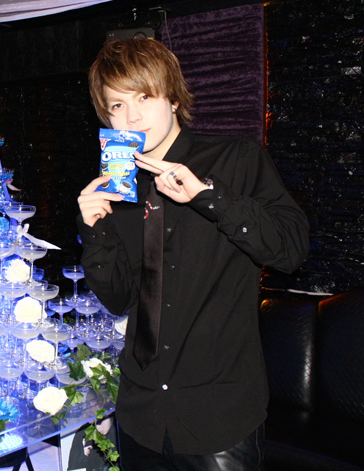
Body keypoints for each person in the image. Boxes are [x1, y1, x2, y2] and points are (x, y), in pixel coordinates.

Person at [76, 38, 309, 470]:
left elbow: (290, 250)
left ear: (173, 97)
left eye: (144, 97)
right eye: (117, 105)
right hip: (141, 414)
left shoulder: (235, 159)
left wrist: (208, 197)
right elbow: (119, 298)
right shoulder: (119, 187)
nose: (132, 117)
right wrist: (95, 230)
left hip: (218, 417)